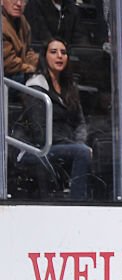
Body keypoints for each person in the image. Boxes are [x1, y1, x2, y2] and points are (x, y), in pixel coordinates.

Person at [18, 37, 93, 200]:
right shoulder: (35, 86)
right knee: (82, 153)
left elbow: (80, 122)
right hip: (39, 148)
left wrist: (79, 142)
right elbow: (40, 132)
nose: (59, 56)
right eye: (54, 52)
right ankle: (77, 203)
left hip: (66, 145)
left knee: (92, 151)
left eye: (63, 52)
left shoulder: (69, 87)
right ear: (45, 57)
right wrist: (74, 146)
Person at [2, 0, 40, 82]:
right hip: (7, 77)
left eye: (23, 1)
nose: (19, 4)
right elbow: (8, 64)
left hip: (20, 70)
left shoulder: (22, 20)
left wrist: (43, 62)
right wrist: (31, 68)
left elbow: (27, 52)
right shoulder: (2, 25)